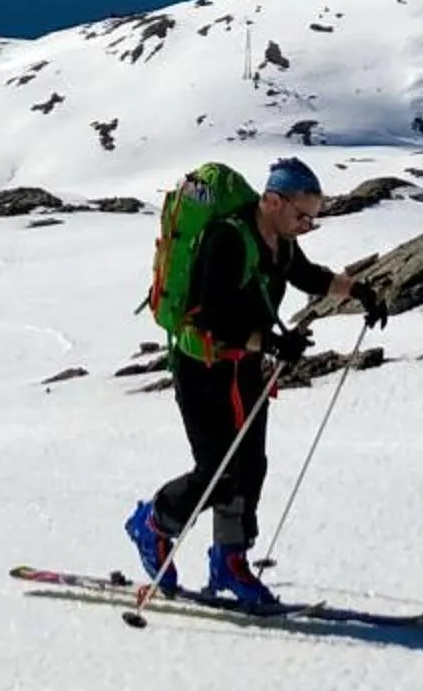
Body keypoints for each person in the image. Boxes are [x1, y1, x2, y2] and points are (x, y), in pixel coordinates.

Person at [127, 156, 388, 614]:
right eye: (301, 215)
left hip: (244, 370)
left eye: (313, 218)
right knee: (216, 473)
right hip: (203, 365)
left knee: (250, 467)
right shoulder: (228, 238)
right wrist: (266, 341)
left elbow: (307, 277)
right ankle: (153, 523)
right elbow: (207, 317)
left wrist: (358, 291)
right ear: (272, 200)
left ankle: (230, 559)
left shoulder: (279, 241)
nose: (307, 225)